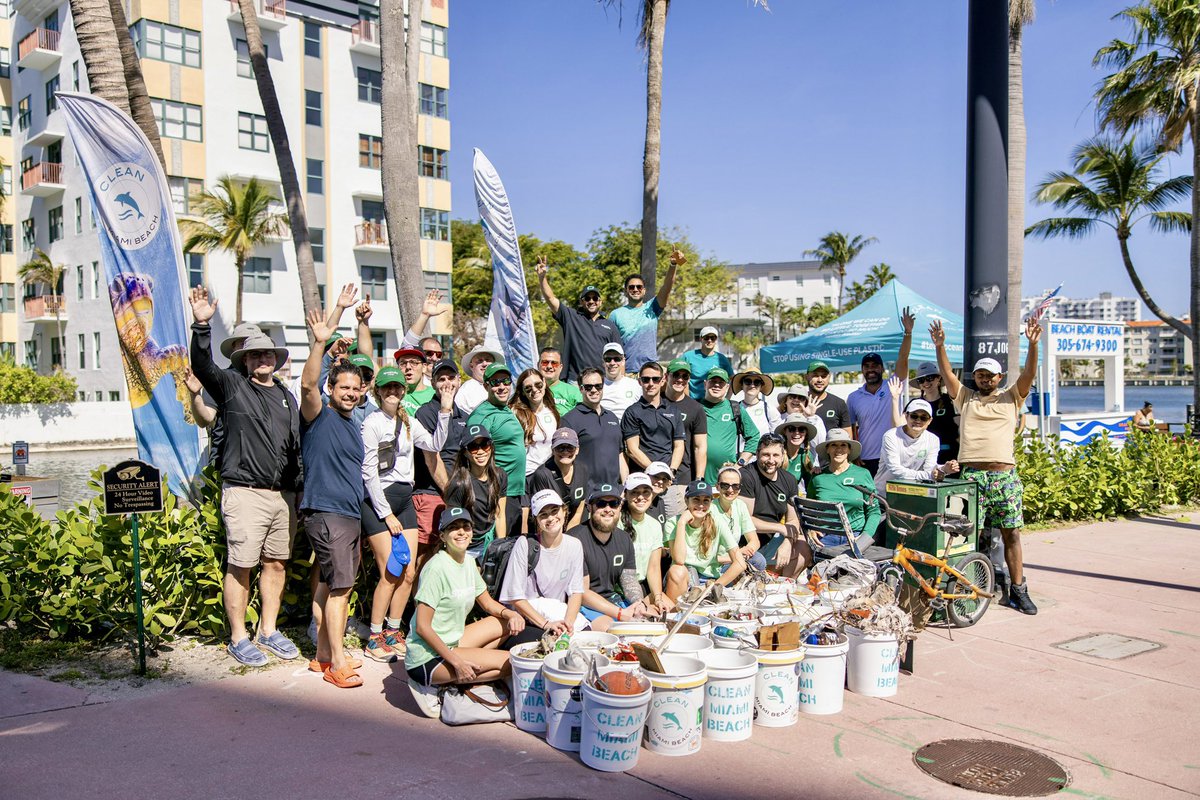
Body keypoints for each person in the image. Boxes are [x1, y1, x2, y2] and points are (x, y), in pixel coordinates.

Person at [188, 287, 300, 668]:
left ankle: (268, 629)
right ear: (245, 360)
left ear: (277, 359)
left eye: (267, 353)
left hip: (283, 496)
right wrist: (202, 324)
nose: (262, 359)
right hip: (245, 493)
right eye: (254, 354)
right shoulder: (234, 387)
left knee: (276, 563)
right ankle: (238, 636)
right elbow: (203, 368)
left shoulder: (287, 395)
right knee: (241, 565)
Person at [931, 317, 1042, 616]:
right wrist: (940, 346)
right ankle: (970, 589)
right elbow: (945, 372)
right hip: (972, 477)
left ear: (999, 376)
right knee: (968, 536)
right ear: (974, 377)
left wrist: (1033, 345)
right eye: (980, 374)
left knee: (1011, 534)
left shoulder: (1011, 397)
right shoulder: (965, 398)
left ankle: (1018, 590)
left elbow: (1029, 373)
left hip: (1003, 477)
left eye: (990, 375)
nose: (985, 379)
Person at [359, 366, 452, 662]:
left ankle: (392, 631)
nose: (393, 392)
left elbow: (435, 444)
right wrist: (386, 514)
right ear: (378, 391)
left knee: (409, 572)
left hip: (404, 498)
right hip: (380, 500)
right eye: (387, 388)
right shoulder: (372, 423)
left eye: (398, 387)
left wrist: (446, 410)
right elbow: (368, 472)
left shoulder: (408, 421)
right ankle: (374, 636)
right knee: (391, 570)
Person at [299, 309, 367, 689]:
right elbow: (308, 386)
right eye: (344, 387)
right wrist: (321, 341)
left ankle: (324, 654)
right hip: (327, 514)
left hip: (347, 515)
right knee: (341, 588)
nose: (351, 393)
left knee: (329, 584)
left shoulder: (351, 424)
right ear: (331, 388)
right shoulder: (318, 415)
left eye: (356, 389)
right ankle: (338, 663)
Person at [404, 507, 525, 717]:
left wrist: (511, 614)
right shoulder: (436, 568)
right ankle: (434, 685)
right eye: (454, 528)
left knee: (505, 624)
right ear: (442, 536)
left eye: (465, 526)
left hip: (453, 641)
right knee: (509, 664)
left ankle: (467, 667)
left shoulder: (469, 562)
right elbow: (422, 627)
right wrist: (456, 662)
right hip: (427, 656)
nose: (461, 532)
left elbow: (487, 604)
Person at [499, 490, 589, 649]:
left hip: (557, 618)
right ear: (536, 520)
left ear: (564, 511)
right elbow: (515, 596)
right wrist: (546, 624)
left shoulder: (575, 545)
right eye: (543, 515)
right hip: (527, 620)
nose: (551, 518)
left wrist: (567, 627)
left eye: (555, 511)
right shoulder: (525, 544)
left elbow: (575, 592)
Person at [567, 484, 651, 631]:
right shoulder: (574, 540)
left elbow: (629, 580)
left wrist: (638, 604)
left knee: (648, 620)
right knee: (610, 628)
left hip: (613, 600)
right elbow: (581, 592)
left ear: (620, 507)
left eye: (613, 504)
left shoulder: (624, 538)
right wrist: (620, 614)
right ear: (589, 507)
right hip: (582, 604)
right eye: (600, 503)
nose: (608, 509)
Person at [413, 358, 468, 568]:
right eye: (441, 378)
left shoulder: (465, 415)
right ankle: (416, 601)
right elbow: (431, 457)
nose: (447, 383)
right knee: (425, 556)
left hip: (457, 495)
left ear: (459, 381)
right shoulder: (425, 413)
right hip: (431, 494)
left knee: (450, 555)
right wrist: (450, 493)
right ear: (433, 382)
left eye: (451, 377)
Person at [848, 308, 914, 474]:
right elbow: (851, 428)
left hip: (893, 455)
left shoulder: (893, 384)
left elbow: (903, 358)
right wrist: (853, 453)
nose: (871, 370)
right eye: (867, 366)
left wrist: (908, 333)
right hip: (865, 458)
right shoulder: (854, 397)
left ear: (882, 368)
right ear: (862, 370)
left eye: (875, 366)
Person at [536, 256, 621, 382]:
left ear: (600, 301)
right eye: (587, 298)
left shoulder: (610, 326)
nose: (591, 301)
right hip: (575, 382)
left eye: (595, 298)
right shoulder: (571, 317)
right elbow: (551, 299)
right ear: (582, 302)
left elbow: (619, 357)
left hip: (602, 382)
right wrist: (542, 278)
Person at [467, 363, 526, 535]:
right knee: (498, 551)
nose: (502, 387)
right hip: (498, 495)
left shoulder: (504, 408)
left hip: (515, 492)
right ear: (486, 386)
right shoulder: (481, 415)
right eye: (495, 383)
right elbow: (474, 455)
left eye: (506, 381)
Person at [664, 480, 746, 600]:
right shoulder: (673, 523)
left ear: (711, 503)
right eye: (696, 499)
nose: (701, 505)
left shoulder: (717, 522)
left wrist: (714, 586)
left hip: (710, 580)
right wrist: (681, 523)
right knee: (677, 570)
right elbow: (679, 560)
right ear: (686, 501)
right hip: (684, 579)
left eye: (706, 500)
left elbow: (740, 563)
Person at [622, 361, 685, 515]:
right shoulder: (632, 412)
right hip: (642, 483)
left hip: (669, 482)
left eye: (655, 379)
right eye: (646, 379)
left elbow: (678, 446)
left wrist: (670, 472)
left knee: (672, 530)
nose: (650, 383)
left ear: (663, 380)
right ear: (639, 381)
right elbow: (632, 449)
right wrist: (655, 473)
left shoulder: (673, 411)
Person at [739, 435, 806, 577]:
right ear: (757, 454)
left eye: (776, 455)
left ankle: (785, 585)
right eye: (765, 455)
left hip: (771, 540)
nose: (771, 460)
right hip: (745, 543)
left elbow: (793, 520)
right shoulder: (747, 475)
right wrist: (781, 529)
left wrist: (787, 542)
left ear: (783, 456)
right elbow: (745, 520)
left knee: (803, 546)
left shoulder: (789, 480)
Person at [607, 249, 683, 372]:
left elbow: (667, 286)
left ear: (644, 290)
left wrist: (673, 265)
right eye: (631, 287)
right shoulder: (616, 315)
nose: (635, 289)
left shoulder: (652, 307)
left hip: (650, 372)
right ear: (626, 291)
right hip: (627, 372)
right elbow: (610, 346)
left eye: (639, 287)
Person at [444, 425, 508, 562]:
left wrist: (500, 546)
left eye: (484, 445)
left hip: (489, 542)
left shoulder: (500, 476)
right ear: (465, 453)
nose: (480, 452)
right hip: (466, 547)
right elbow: (452, 525)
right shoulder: (458, 484)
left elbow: (500, 514)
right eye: (473, 447)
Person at [810, 429, 881, 549]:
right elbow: (810, 509)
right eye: (834, 445)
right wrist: (811, 528)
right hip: (824, 537)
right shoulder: (818, 477)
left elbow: (874, 511)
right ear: (827, 449)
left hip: (856, 535)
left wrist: (865, 536)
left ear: (849, 449)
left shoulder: (863, 474)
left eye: (843, 445)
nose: (839, 449)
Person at [561, 367, 627, 490]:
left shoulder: (611, 417)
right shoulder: (569, 420)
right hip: (587, 494)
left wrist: (625, 486)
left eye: (598, 386)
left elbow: (620, 454)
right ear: (581, 389)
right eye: (588, 387)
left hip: (614, 492)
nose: (594, 390)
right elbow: (564, 460)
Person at [874, 397, 956, 496]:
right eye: (914, 416)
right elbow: (895, 470)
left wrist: (943, 469)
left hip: (913, 495)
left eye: (923, 418)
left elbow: (929, 468)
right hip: (884, 495)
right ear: (906, 416)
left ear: (930, 421)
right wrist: (930, 474)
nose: (918, 420)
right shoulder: (891, 436)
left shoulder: (933, 439)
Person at [700, 368, 759, 482]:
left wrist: (740, 463)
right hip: (698, 477)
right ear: (705, 384)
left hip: (727, 482)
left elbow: (754, 436)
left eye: (721, 383)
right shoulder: (695, 407)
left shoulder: (735, 408)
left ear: (727, 387)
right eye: (712, 381)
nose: (717, 385)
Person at [621, 473, 671, 609]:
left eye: (646, 492)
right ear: (625, 494)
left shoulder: (654, 525)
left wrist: (658, 598)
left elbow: (654, 568)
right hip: (619, 588)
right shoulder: (616, 522)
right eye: (635, 492)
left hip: (643, 585)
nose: (641, 497)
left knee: (672, 610)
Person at [528, 428, 589, 528]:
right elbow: (541, 516)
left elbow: (579, 510)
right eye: (560, 448)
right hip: (548, 528)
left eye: (570, 447)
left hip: (573, 528)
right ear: (552, 450)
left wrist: (569, 538)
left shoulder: (583, 470)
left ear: (577, 450)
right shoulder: (542, 475)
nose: (565, 452)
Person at [663, 359, 709, 488]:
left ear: (688, 380)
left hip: (683, 476)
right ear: (666, 377)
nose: (680, 379)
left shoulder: (696, 408)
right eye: (676, 375)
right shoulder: (656, 402)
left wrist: (699, 478)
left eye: (684, 376)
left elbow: (699, 447)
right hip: (656, 473)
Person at [711, 464, 766, 572]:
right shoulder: (710, 510)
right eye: (725, 485)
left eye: (735, 486)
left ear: (740, 488)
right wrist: (739, 554)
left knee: (759, 560)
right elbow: (705, 557)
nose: (730, 490)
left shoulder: (740, 505)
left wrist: (746, 551)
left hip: (735, 559)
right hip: (716, 564)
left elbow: (754, 540)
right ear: (717, 487)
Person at [510, 367, 560, 477]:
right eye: (528, 388)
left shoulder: (552, 412)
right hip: (526, 475)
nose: (534, 390)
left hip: (549, 474)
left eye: (538, 385)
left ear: (544, 383)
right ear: (522, 392)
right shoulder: (515, 413)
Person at [911, 361, 960, 463]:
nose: (926, 383)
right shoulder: (915, 404)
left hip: (950, 455)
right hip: (923, 455)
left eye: (930, 378)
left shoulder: (951, 401)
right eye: (921, 380)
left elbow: (961, 427)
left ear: (938, 379)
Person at [682, 326, 733, 399]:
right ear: (700, 339)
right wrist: (687, 401)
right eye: (706, 337)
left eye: (713, 338)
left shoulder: (722, 359)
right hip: (694, 402)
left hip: (715, 404)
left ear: (716, 340)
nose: (709, 340)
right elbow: (681, 379)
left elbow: (733, 379)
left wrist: (727, 398)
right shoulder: (688, 356)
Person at [805, 361, 851, 436]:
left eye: (823, 376)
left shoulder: (839, 403)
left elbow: (848, 436)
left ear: (829, 378)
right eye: (815, 375)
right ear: (806, 377)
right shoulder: (799, 402)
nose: (820, 380)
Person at [455, 345, 502, 416]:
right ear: (471, 366)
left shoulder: (502, 386)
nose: (484, 364)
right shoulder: (465, 391)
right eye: (480, 361)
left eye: (488, 360)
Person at [777, 413, 821, 488]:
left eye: (801, 429)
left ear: (806, 433)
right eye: (792, 429)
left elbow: (809, 485)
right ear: (785, 431)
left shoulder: (805, 455)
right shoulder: (777, 452)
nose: (797, 433)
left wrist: (816, 473)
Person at [600, 343, 640, 422]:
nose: (612, 363)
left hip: (629, 430)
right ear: (603, 362)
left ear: (623, 361)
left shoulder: (635, 385)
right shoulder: (596, 386)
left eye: (617, 359)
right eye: (608, 359)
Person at [732, 370, 780, 437]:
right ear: (742, 385)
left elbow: (776, 438)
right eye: (747, 381)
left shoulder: (770, 409)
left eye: (757, 382)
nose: (752, 385)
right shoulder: (734, 410)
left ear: (761, 387)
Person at [539, 346, 581, 415]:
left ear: (560, 367)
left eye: (554, 363)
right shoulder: (531, 390)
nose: (549, 366)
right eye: (545, 362)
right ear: (538, 365)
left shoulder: (573, 392)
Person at [394, 347, 434, 416]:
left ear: (424, 367)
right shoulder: (392, 393)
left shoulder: (434, 395)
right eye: (403, 363)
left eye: (414, 363)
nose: (408, 367)